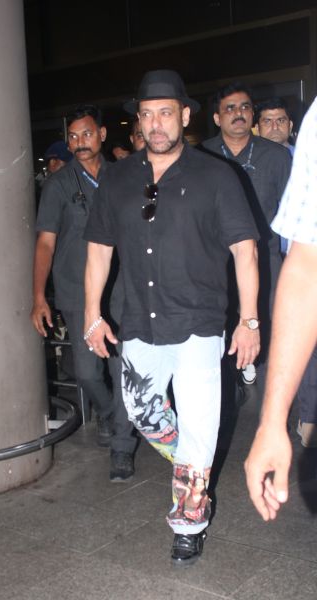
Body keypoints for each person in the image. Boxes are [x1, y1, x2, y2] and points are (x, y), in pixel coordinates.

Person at [84, 70, 260, 566]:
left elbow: (245, 251)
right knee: (141, 410)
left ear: (184, 116)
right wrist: (93, 314)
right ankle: (194, 466)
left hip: (200, 322)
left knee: (200, 423)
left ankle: (190, 517)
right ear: (138, 121)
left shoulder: (216, 176)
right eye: (147, 114)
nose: (156, 123)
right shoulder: (117, 177)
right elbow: (98, 250)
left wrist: (249, 321)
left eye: (166, 113)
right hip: (140, 321)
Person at [32, 105, 137, 481]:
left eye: (87, 134)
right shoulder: (58, 185)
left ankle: (122, 445)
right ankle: (110, 414)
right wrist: (38, 296)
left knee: (122, 369)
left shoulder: (122, 176)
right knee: (89, 373)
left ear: (102, 135)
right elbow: (45, 243)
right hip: (77, 292)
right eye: (73, 136)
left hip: (121, 290)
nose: (79, 142)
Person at [245, 97, 317, 520]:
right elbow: (308, 265)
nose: (273, 127)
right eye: (266, 121)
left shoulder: (285, 156)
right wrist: (272, 420)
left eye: (279, 120)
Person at [201, 83, 291, 388]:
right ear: (217, 118)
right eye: (230, 108)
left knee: (267, 329)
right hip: (215, 262)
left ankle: (267, 394)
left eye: (244, 107)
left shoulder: (276, 156)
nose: (238, 113)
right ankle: (229, 388)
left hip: (265, 259)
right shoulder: (201, 156)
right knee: (218, 332)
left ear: (252, 115)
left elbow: (292, 211)